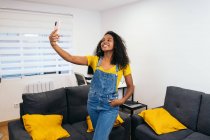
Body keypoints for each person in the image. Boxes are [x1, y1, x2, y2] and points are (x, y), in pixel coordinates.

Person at [49, 30, 134, 140]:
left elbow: (131, 86)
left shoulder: (123, 64)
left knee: (99, 138)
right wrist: (53, 44)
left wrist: (122, 100)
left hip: (109, 106)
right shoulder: (94, 60)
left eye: (109, 40)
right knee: (100, 135)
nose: (104, 42)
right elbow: (70, 57)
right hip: (92, 104)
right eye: (103, 40)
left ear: (116, 44)